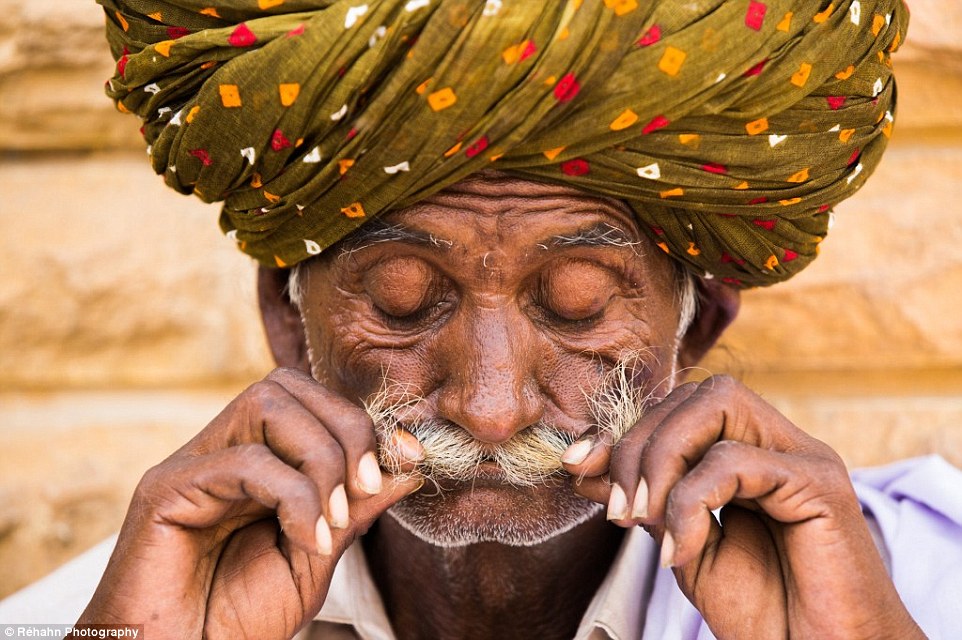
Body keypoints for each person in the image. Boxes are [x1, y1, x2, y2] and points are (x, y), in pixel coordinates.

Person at [4, 0, 961, 638]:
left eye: (580, 305)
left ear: (698, 320)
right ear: (287, 318)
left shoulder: (921, 591)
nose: (491, 408)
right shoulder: (116, 614)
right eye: (402, 303)